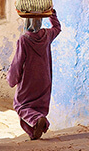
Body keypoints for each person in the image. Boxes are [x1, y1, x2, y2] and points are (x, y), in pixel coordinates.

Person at [7, 9, 61, 140]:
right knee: (38, 106)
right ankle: (35, 131)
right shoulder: (47, 35)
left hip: (28, 81)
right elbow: (57, 28)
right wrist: (52, 14)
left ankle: (38, 120)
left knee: (20, 105)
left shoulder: (24, 40)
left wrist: (12, 79)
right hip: (44, 79)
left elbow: (17, 63)